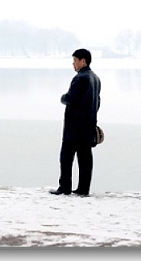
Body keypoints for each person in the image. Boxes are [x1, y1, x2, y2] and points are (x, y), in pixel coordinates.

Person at [50, 48, 101, 196]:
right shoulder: (95, 78)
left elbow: (71, 98)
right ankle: (83, 189)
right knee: (85, 159)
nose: (73, 64)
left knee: (66, 157)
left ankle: (65, 187)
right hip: (88, 125)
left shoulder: (81, 78)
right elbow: (97, 102)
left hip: (74, 127)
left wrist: (62, 98)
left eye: (75, 61)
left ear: (82, 61)